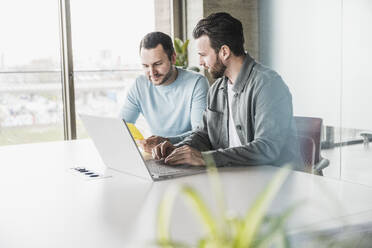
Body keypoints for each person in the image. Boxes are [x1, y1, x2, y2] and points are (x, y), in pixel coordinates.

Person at [152, 12, 303, 170]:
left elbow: (266, 148)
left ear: (224, 52)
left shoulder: (268, 84)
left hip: (274, 183)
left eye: (203, 55)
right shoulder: (217, 89)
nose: (200, 62)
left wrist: (207, 158)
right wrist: (178, 149)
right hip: (235, 177)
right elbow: (204, 134)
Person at [119, 32, 209, 152]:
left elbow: (200, 134)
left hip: (189, 153)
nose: (152, 72)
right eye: (146, 66)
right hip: (157, 155)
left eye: (157, 64)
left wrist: (166, 141)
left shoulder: (197, 83)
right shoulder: (139, 85)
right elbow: (122, 127)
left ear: (173, 58)